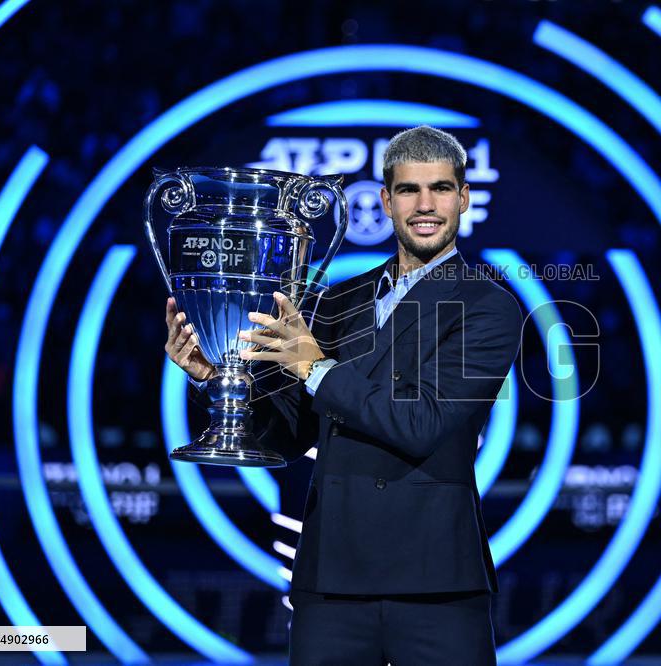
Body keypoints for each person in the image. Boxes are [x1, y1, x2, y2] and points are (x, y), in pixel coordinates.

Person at [165, 125, 523, 665]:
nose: (425, 205)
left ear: (464, 197)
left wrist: (317, 368)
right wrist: (216, 379)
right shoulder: (338, 300)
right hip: (331, 580)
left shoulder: (488, 307)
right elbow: (289, 437)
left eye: (441, 188)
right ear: (385, 201)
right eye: (408, 190)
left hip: (436, 584)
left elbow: (421, 423)